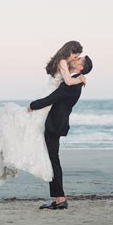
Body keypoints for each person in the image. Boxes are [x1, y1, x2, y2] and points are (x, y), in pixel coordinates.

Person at [0, 41, 86, 184]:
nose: (74, 58)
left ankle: (25, 154)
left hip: (50, 97)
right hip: (49, 96)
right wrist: (80, 78)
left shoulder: (62, 62)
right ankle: (11, 149)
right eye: (75, 56)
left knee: (34, 128)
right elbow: (67, 81)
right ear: (69, 51)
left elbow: (64, 85)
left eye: (77, 57)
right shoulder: (63, 62)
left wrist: (78, 77)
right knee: (31, 124)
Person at [29, 55, 93, 210]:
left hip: (54, 125)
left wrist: (33, 105)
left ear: (80, 68)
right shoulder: (74, 80)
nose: (75, 59)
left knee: (53, 160)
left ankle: (60, 199)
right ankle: (59, 199)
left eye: (78, 60)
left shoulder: (72, 84)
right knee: (53, 159)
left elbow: (52, 98)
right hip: (56, 124)